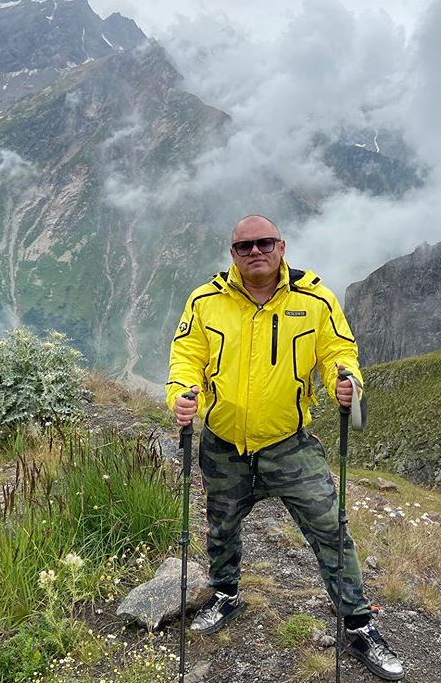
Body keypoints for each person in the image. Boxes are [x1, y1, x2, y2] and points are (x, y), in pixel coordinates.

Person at [166, 215, 404, 681]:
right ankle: (225, 593)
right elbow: (187, 355)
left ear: (281, 246)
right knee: (221, 524)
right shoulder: (205, 300)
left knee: (330, 528)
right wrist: (181, 391)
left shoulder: (314, 298)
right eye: (244, 246)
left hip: (289, 443)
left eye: (264, 243)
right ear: (232, 254)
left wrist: (347, 380)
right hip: (224, 442)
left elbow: (340, 350)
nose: (255, 252)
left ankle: (359, 626)